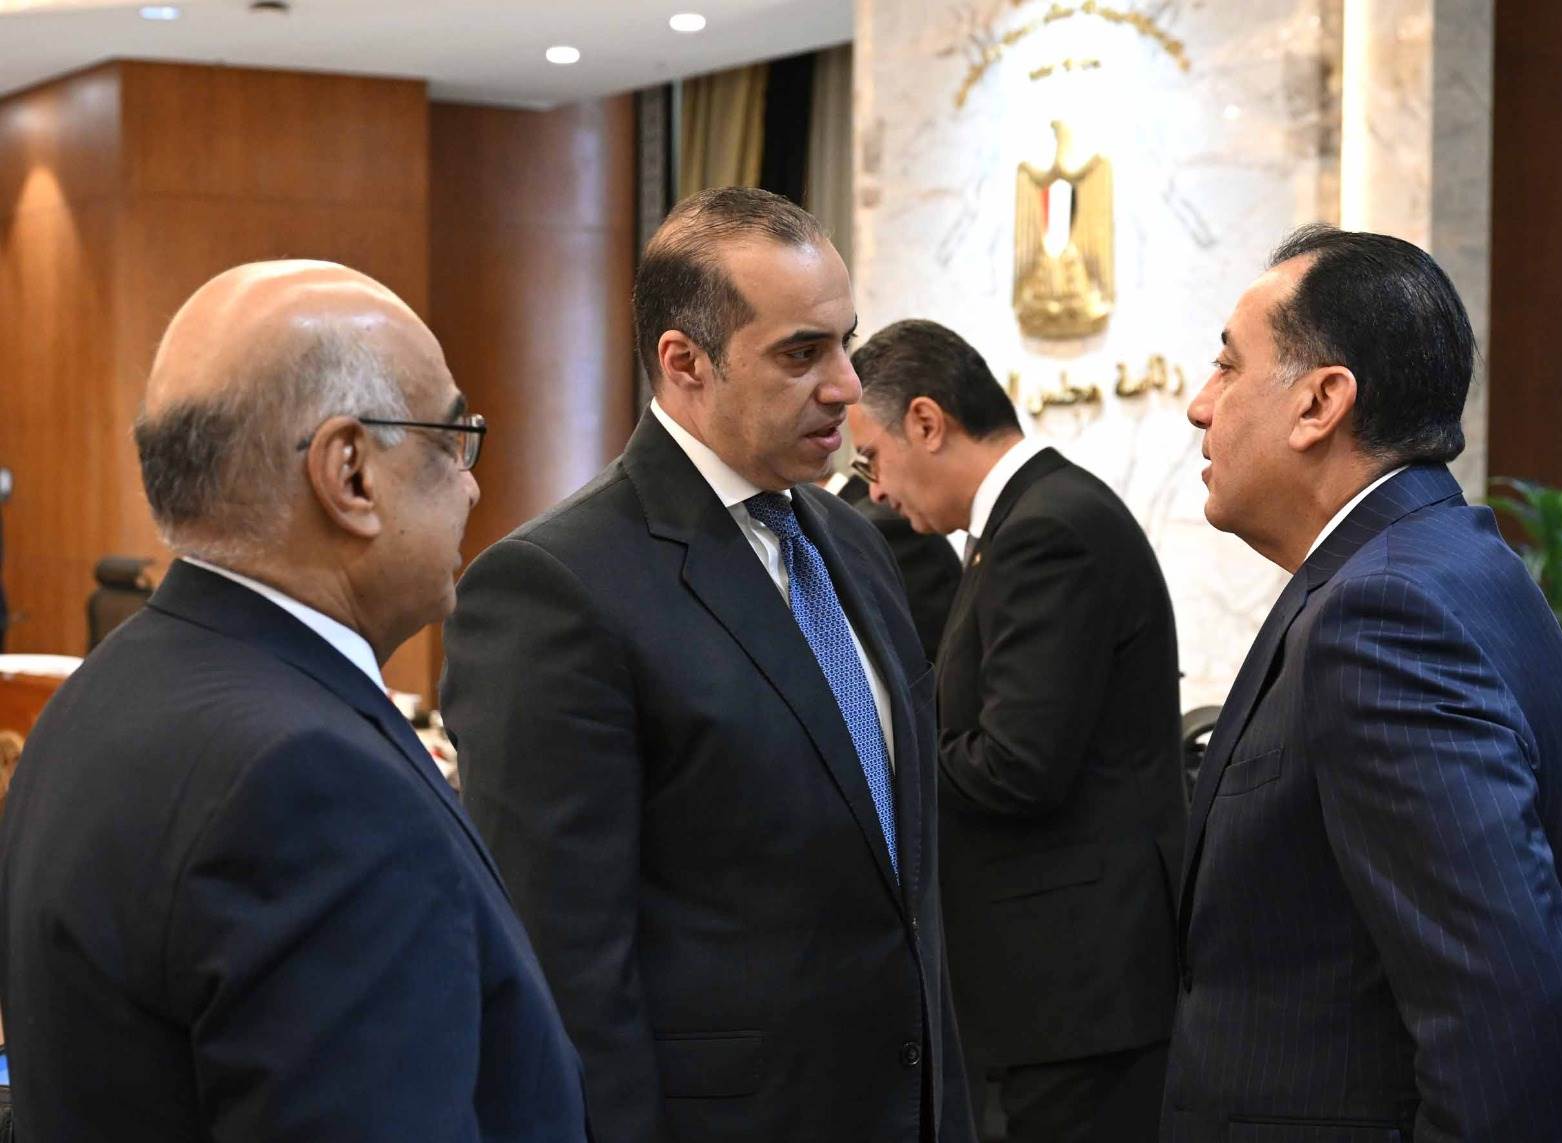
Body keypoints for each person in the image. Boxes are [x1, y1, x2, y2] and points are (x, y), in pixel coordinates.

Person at [0, 261, 587, 1142]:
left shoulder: (102, 692)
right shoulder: (314, 788)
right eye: (451, 438)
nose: (471, 483)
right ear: (349, 474)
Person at [442, 187, 977, 1143]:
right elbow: (564, 971)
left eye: (846, 343)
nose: (847, 387)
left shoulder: (856, 545)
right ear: (684, 362)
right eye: (801, 354)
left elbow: (902, 891)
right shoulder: (557, 587)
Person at [1165, 225, 1562, 1141]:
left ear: (1320, 402)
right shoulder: (1429, 564)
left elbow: (1507, 1033)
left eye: (1228, 366)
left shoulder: (1386, 612)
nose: (1200, 406)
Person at [849, 319, 1186, 1143]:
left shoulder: (1046, 529)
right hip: (1062, 993)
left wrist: (877, 756)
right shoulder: (1019, 524)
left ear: (926, 422)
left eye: (871, 459)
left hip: (1081, 997)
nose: (876, 491)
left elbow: (1017, 763)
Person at [826, 468, 963, 663]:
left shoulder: (878, 524)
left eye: (872, 459)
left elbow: (924, 651)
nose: (876, 491)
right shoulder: (856, 518)